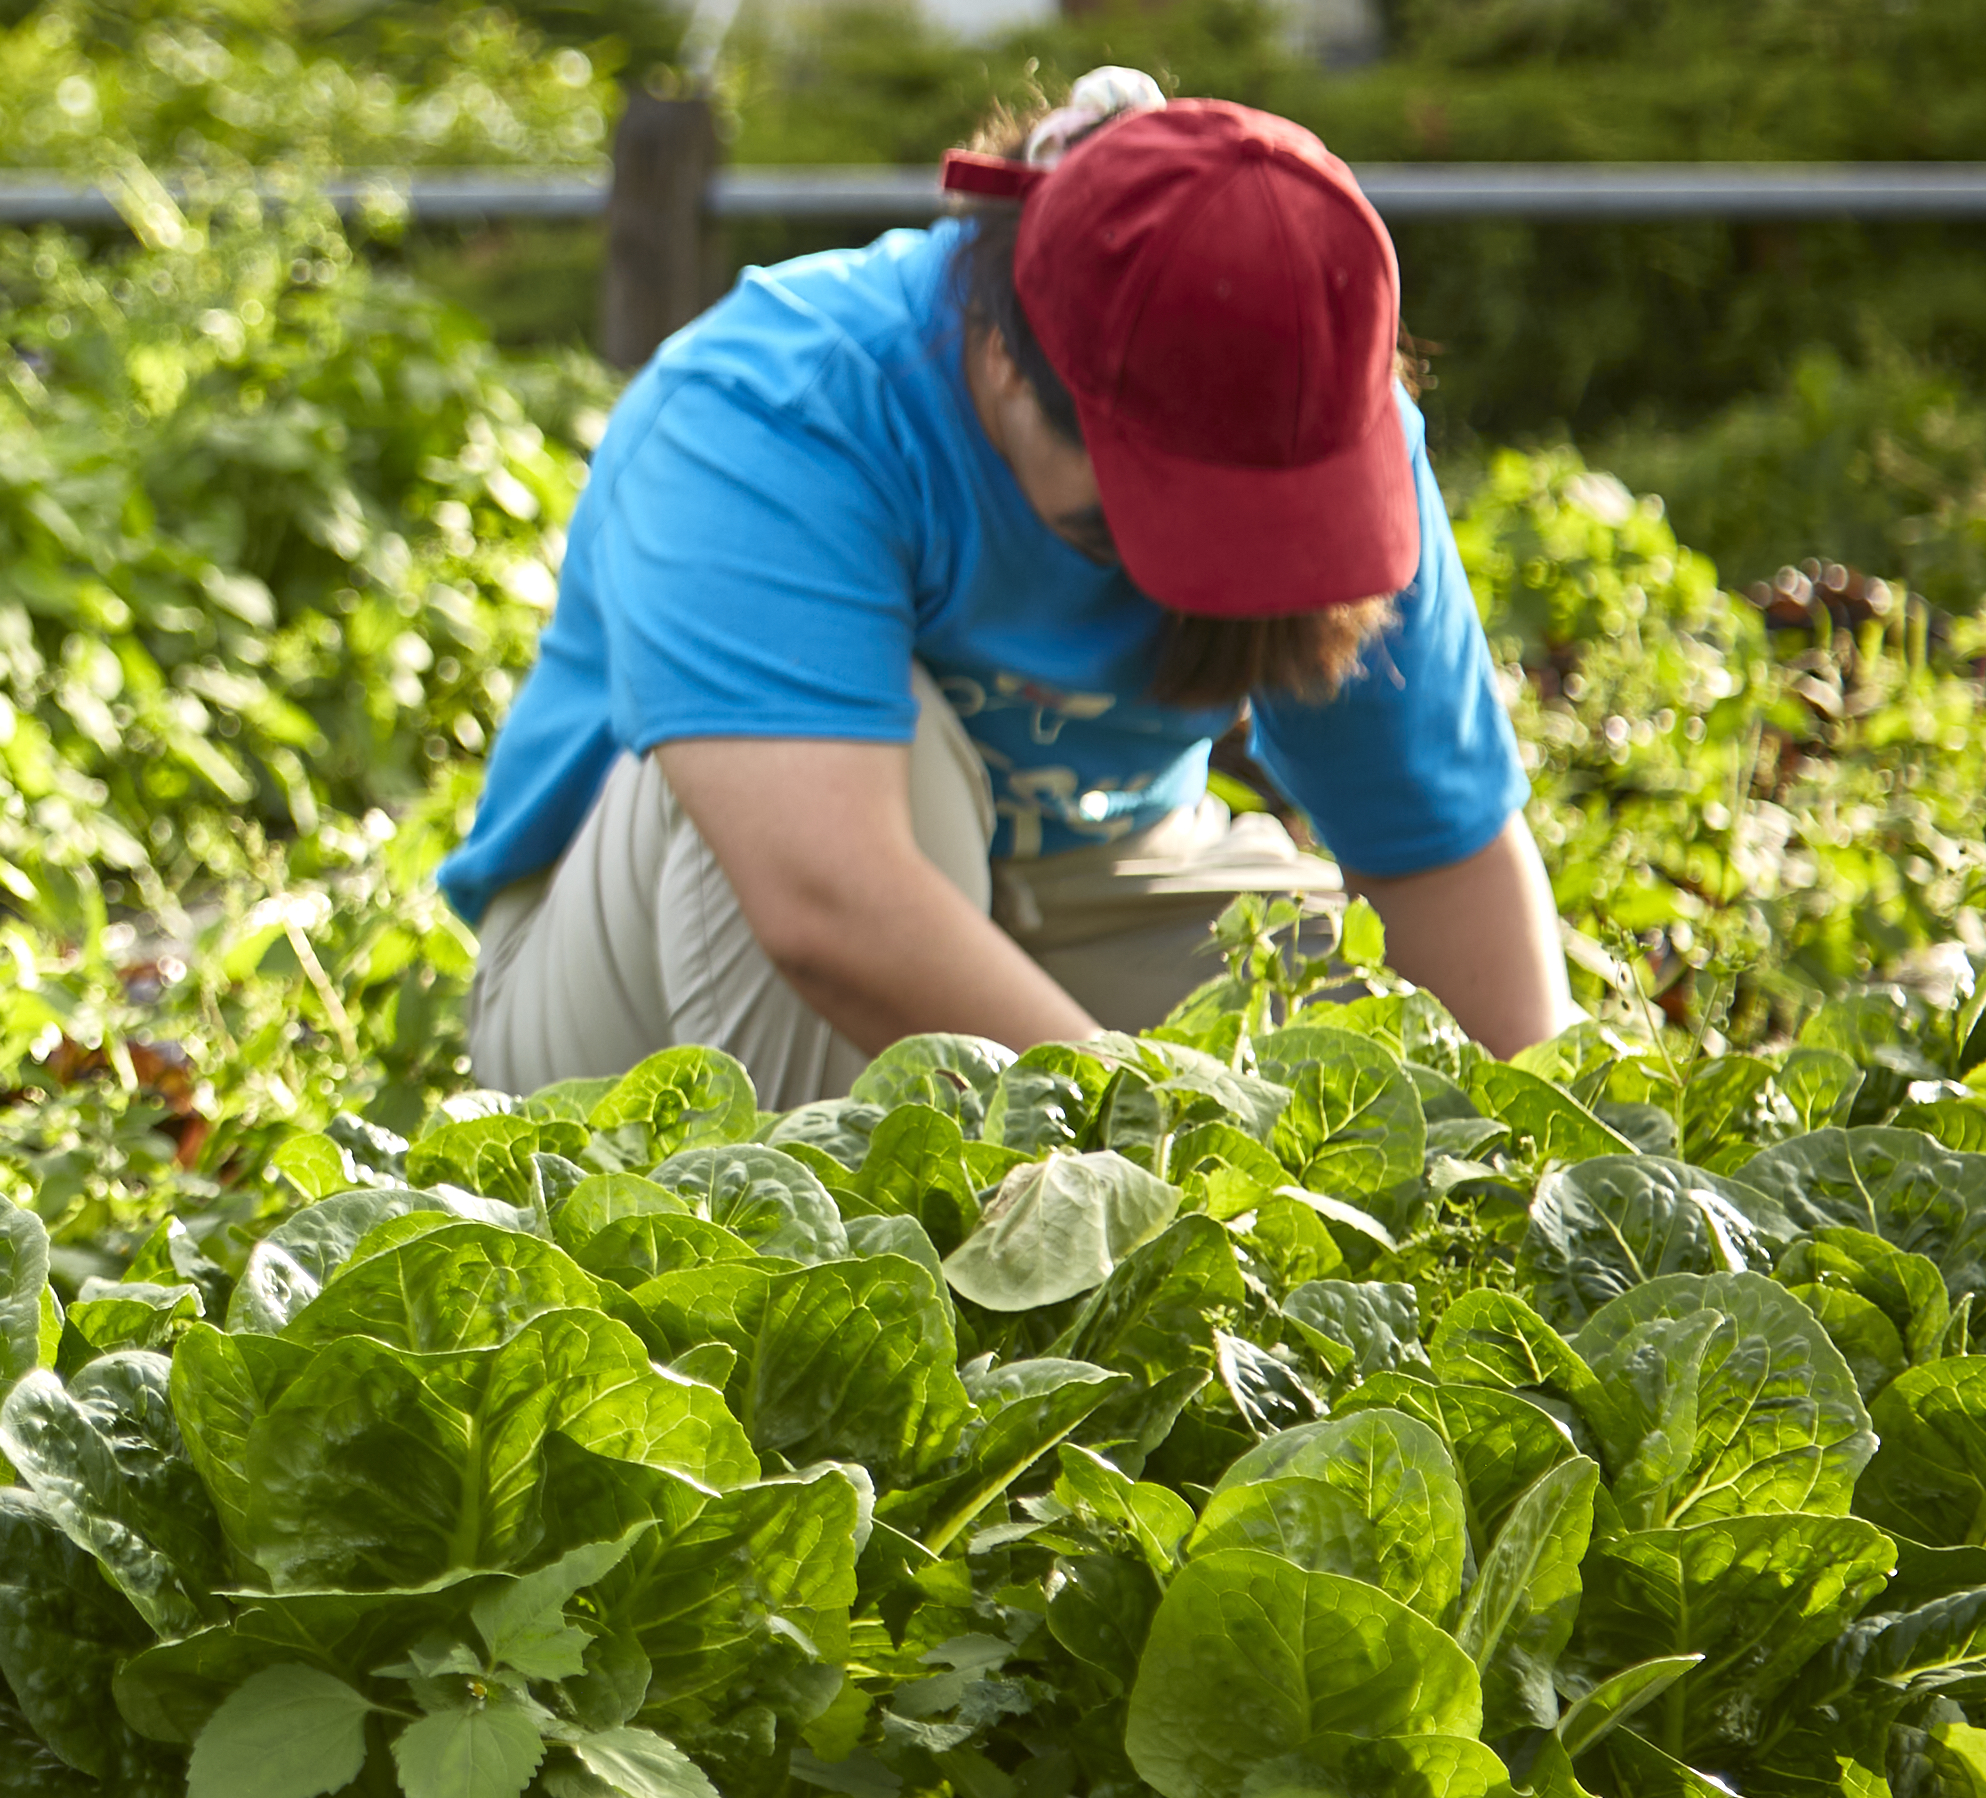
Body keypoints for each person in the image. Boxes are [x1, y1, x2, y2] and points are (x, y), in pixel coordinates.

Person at [439, 70, 1565, 1104]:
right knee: (886, 769)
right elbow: (829, 909)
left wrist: (1530, 1166)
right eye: (1144, 524)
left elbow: (1439, 860)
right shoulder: (772, 409)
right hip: (618, 993)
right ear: (1000, 361)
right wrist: (1135, 1167)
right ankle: (842, 1288)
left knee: (1390, 1059)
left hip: (1070, 892)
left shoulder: (1321, 451)